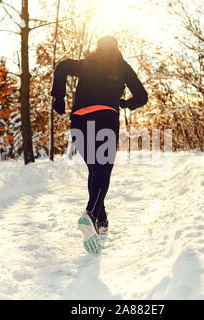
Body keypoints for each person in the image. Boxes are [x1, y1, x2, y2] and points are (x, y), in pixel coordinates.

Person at [50, 36, 148, 254]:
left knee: (95, 170)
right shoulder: (122, 67)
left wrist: (59, 97)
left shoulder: (86, 64)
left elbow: (62, 66)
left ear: (97, 48)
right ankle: (90, 214)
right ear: (117, 48)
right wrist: (124, 103)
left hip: (79, 120)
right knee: (102, 169)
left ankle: (101, 220)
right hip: (105, 118)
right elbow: (142, 96)